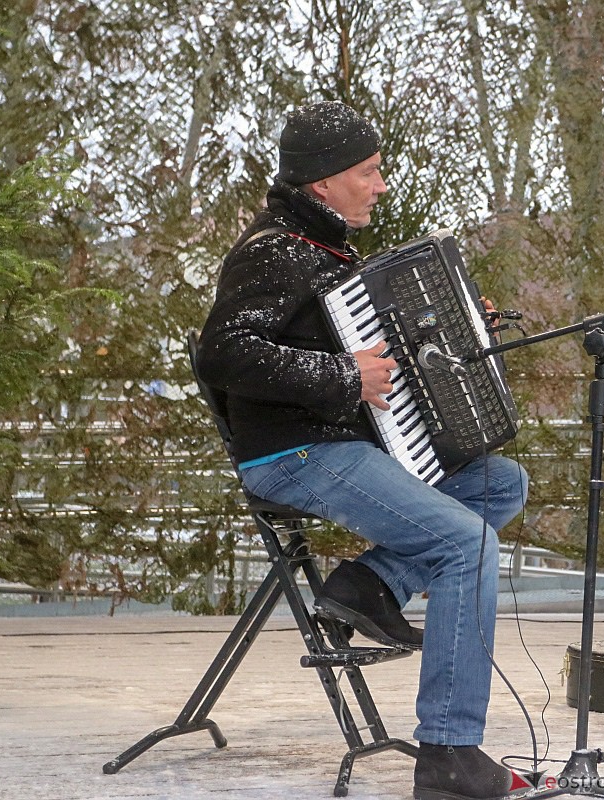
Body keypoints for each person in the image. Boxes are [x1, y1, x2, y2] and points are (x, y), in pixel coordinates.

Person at [197, 101, 530, 800]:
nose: (381, 185)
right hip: (292, 455)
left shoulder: (327, 252)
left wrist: (464, 328)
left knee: (499, 484)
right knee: (468, 546)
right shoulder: (273, 251)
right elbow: (228, 353)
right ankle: (447, 752)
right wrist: (346, 377)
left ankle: (366, 586)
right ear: (322, 182)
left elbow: (371, 345)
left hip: (339, 443)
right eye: (368, 172)